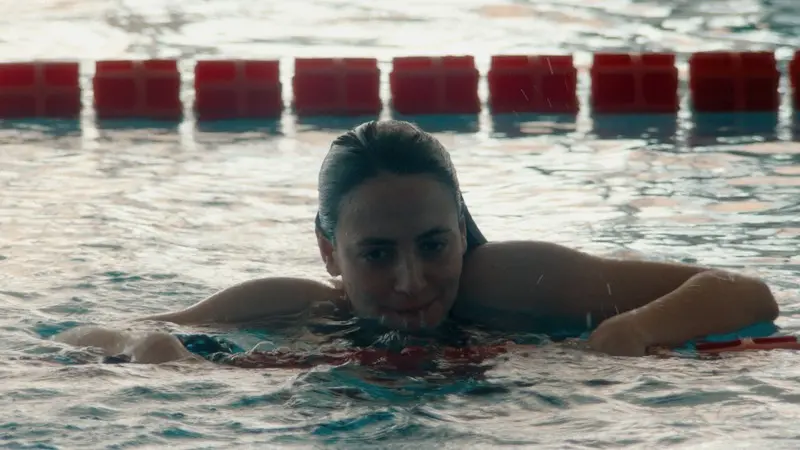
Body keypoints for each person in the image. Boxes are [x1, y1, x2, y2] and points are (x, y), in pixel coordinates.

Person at [55, 120, 779, 363]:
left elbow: (745, 291)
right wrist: (150, 351)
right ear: (329, 253)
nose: (412, 282)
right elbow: (89, 334)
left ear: (462, 230)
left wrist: (631, 330)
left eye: (434, 245)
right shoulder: (300, 306)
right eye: (376, 255)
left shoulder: (504, 279)